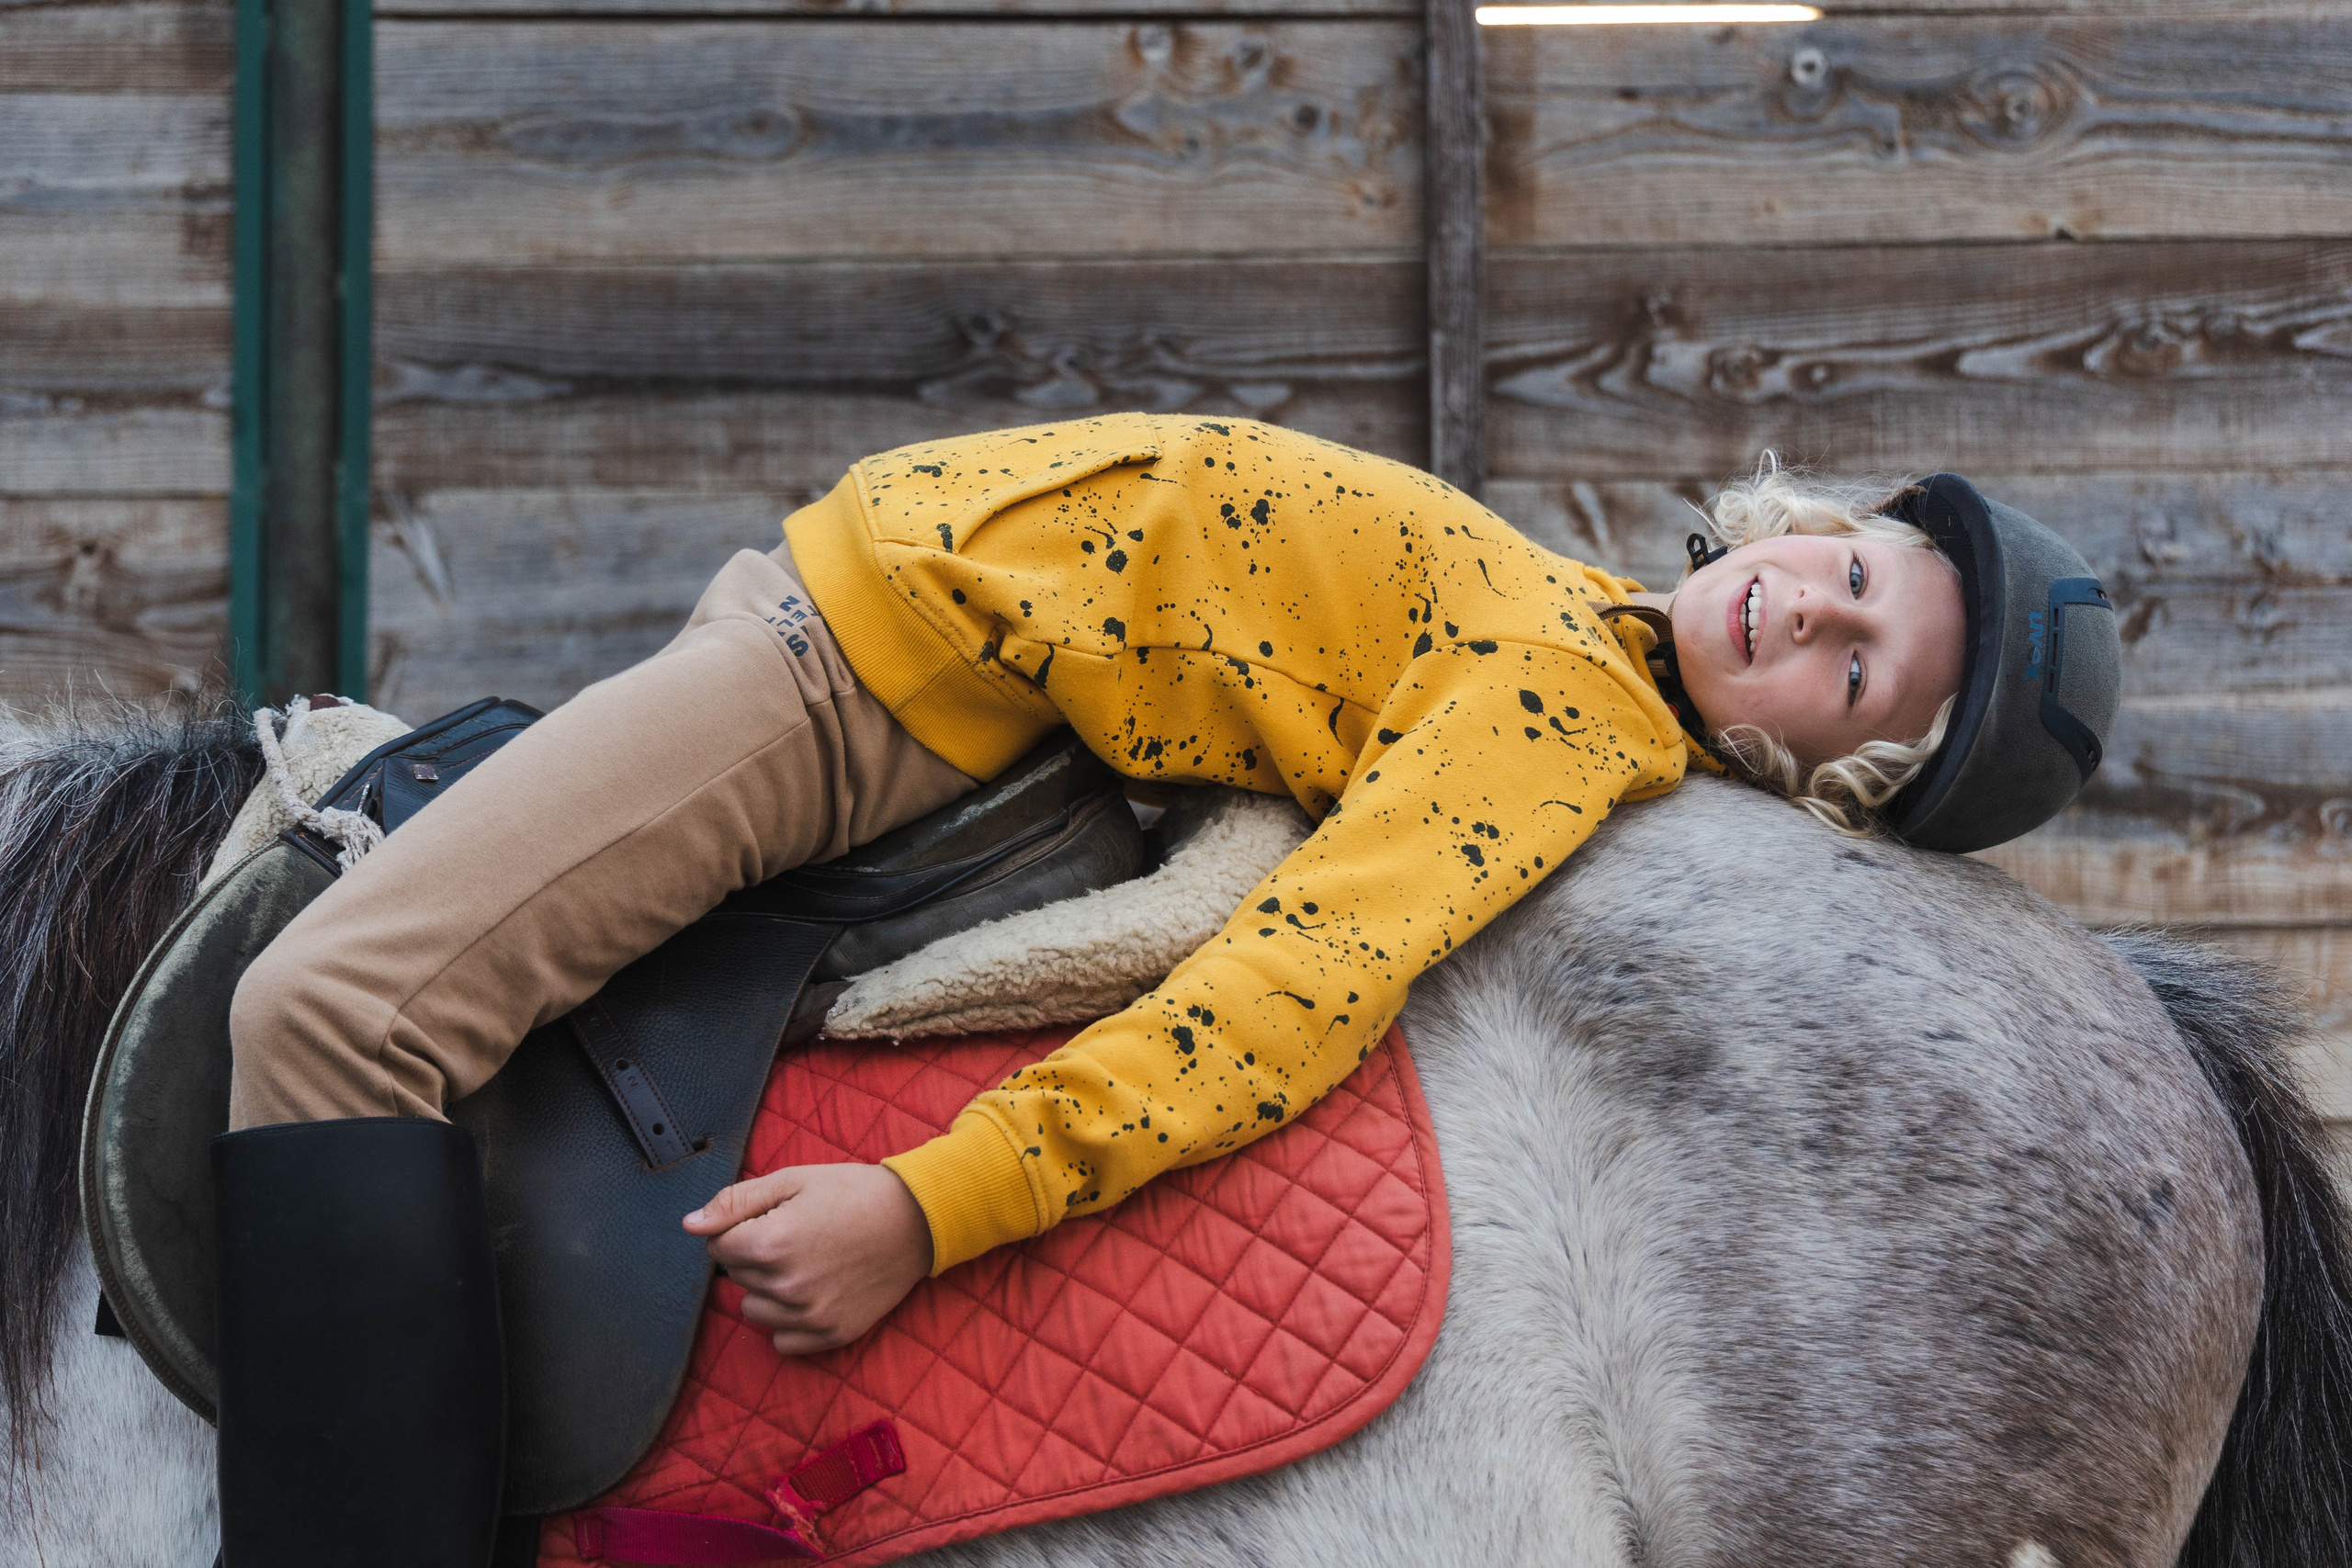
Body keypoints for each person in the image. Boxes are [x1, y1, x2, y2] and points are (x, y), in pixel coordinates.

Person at [210, 415, 2120, 1566]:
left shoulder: (1558, 725)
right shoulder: (1573, 618)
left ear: (1823, 777)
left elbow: (1300, 985)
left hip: (855, 674)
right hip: (836, 605)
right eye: (1849, 561)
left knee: (329, 1014)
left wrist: (929, 1195)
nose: (1810, 605)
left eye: (1856, 668)